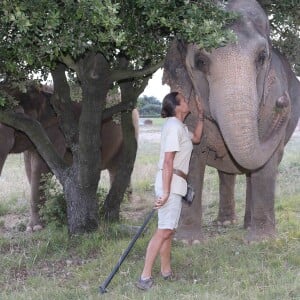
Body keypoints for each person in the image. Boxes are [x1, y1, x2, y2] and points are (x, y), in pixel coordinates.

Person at [136, 91, 204, 290]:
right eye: (184, 100)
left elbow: (197, 138)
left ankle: (166, 272)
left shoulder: (180, 127)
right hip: (170, 183)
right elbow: (168, 160)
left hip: (175, 183)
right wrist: (165, 192)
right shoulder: (174, 127)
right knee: (164, 230)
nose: (188, 101)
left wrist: (201, 114)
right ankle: (145, 277)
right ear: (177, 106)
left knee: (168, 230)